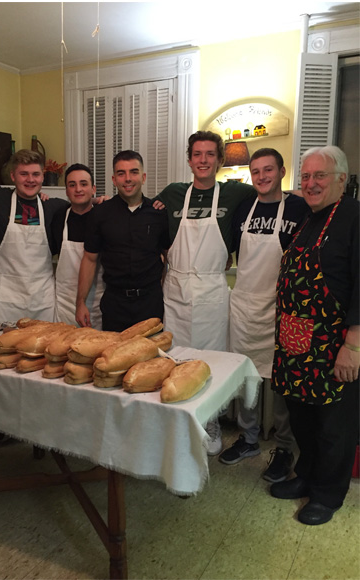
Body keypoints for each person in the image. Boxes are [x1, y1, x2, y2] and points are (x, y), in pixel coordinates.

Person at [270, 145, 359, 526]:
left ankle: (328, 493)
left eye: (319, 176)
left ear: (341, 178)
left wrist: (353, 345)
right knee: (303, 419)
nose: (310, 183)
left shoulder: (354, 217)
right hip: (295, 343)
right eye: (305, 177)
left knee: (332, 426)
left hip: (332, 345)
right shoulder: (309, 219)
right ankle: (306, 476)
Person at [155, 131, 256, 454]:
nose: (203, 160)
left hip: (213, 290)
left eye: (210, 154)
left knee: (211, 361)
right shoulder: (173, 194)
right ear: (189, 160)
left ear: (220, 160)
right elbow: (142, 209)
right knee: (176, 360)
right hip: (176, 290)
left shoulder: (236, 193)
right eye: (197, 154)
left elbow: (272, 194)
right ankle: (176, 421)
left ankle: (210, 421)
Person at [218, 148, 307, 482]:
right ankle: (248, 438)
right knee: (248, 378)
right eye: (256, 171)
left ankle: (283, 448)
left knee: (280, 383)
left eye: (268, 170)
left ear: (282, 171)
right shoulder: (243, 207)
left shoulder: (299, 207)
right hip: (244, 305)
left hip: (280, 309)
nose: (262, 176)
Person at [0, 149, 68, 324]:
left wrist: (96, 201)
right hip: (5, 303)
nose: (30, 180)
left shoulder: (53, 207)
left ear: (42, 176)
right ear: (13, 176)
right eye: (23, 174)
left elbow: (80, 206)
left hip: (42, 301)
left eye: (35, 174)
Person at [76, 150, 170, 332]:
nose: (128, 178)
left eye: (134, 172)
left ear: (143, 177)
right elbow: (89, 259)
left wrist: (164, 292)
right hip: (114, 303)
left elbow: (168, 257)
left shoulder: (159, 213)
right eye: (121, 173)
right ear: (114, 179)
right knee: (113, 357)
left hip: (150, 302)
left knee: (150, 357)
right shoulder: (100, 214)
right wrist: (80, 303)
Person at [52, 163, 104, 328]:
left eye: (84, 184)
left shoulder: (105, 216)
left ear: (93, 188)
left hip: (98, 302)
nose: (78, 189)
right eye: (72, 185)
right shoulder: (59, 216)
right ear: (66, 191)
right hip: (65, 304)